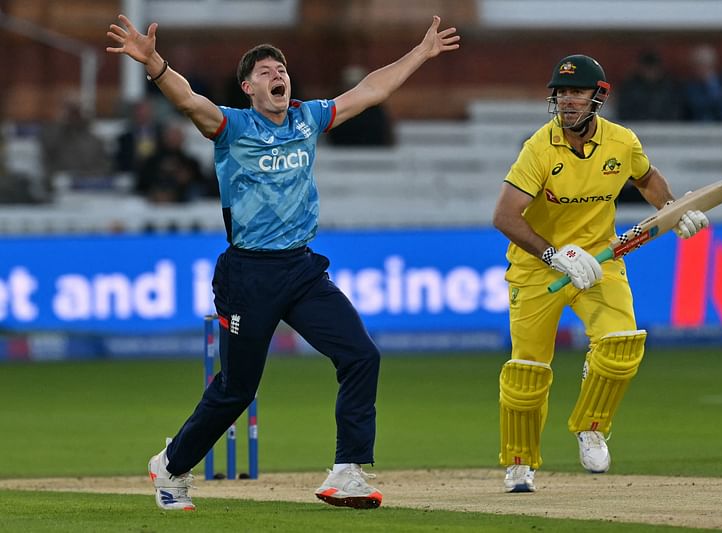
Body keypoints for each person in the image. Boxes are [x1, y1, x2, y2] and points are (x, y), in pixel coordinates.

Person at [106, 13, 459, 511]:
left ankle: (347, 471)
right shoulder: (232, 126)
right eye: (266, 71)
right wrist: (156, 64)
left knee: (361, 355)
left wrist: (421, 52)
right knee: (236, 391)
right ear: (248, 86)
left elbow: (369, 91)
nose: (278, 75)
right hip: (248, 275)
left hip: (301, 269)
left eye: (282, 69)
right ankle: (170, 466)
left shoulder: (306, 118)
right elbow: (189, 100)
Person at [491, 54, 709, 493]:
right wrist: (555, 256)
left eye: (577, 92)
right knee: (527, 373)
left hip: (600, 263)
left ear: (598, 96)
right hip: (539, 269)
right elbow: (505, 217)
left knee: (622, 346)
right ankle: (519, 462)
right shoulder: (538, 147)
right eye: (562, 93)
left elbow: (646, 179)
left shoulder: (622, 142)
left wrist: (670, 211)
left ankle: (591, 425)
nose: (568, 101)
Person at [135, 119, 214, 203]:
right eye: (170, 135)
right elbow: (141, 184)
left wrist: (188, 179)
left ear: (183, 138)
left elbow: (203, 185)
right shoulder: (152, 161)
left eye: (176, 136)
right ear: (164, 138)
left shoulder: (190, 162)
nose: (173, 139)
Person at [327, 65, 396, 147]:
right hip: (341, 154)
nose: (352, 89)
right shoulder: (335, 108)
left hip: (374, 154)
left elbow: (386, 134)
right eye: (350, 85)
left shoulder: (375, 108)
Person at [682, 44, 722, 122]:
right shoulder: (690, 87)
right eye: (697, 65)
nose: (699, 69)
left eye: (704, 64)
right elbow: (696, 106)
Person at [615, 50, 683, 122]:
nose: (650, 72)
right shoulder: (630, 88)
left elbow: (677, 111)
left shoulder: (670, 87)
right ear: (641, 68)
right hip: (637, 128)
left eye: (653, 68)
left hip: (667, 129)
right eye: (647, 68)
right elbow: (624, 112)